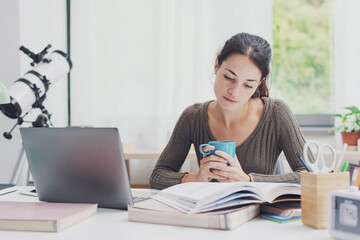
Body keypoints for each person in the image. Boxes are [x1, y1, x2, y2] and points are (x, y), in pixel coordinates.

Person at [149, 32, 308, 190]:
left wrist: (248, 180)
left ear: (259, 83)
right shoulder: (193, 117)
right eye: (229, 77)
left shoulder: (276, 114)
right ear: (217, 66)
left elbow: (311, 174)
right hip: (209, 212)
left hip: (258, 214)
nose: (235, 91)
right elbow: (158, 176)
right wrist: (197, 178)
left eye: (248, 85)